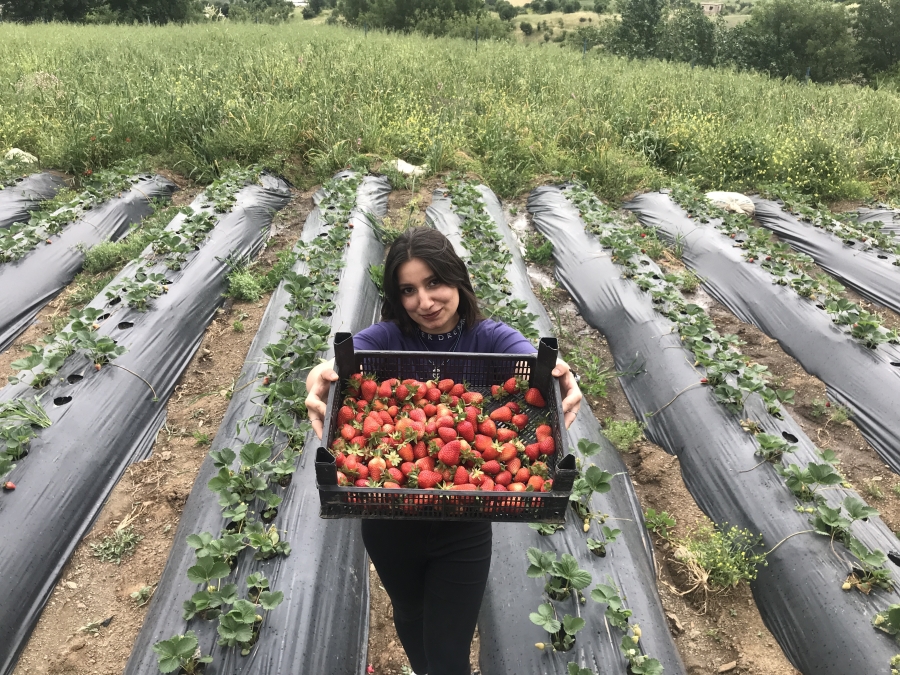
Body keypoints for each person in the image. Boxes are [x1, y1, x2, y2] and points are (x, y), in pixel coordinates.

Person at [305, 227, 582, 675]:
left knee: (450, 651)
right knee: (409, 615)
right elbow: (342, 362)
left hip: (464, 525)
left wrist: (557, 375)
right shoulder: (388, 336)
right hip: (388, 520)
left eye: (434, 282)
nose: (424, 301)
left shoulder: (490, 339)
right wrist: (320, 375)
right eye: (408, 290)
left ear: (457, 280)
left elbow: (533, 365)